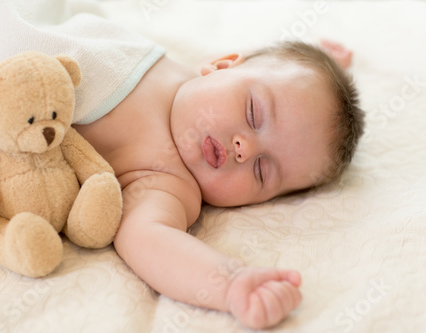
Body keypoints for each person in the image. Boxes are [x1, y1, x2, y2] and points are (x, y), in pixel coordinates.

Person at [73, 39, 364, 329]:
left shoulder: (168, 184)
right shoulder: (184, 70)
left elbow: (148, 238)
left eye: (261, 170)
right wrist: (326, 57)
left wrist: (230, 284)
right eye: (253, 113)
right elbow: (265, 65)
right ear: (221, 65)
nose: (244, 149)